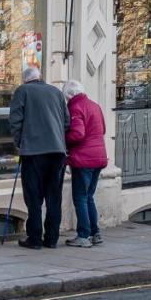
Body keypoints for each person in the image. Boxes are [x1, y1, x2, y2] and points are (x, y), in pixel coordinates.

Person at [9, 66, 70, 249]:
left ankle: (35, 239)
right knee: (53, 197)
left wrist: (21, 142)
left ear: (24, 79)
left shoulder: (22, 91)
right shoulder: (56, 92)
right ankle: (52, 239)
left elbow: (15, 120)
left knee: (33, 197)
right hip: (57, 152)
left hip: (33, 152)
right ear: (40, 77)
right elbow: (67, 122)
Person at [62, 80, 107, 248]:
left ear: (70, 95)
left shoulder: (75, 107)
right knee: (89, 197)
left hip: (83, 159)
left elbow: (78, 134)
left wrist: (62, 140)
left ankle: (83, 235)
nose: (66, 101)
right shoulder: (94, 105)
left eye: (66, 97)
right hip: (99, 157)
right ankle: (95, 233)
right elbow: (102, 129)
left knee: (80, 197)